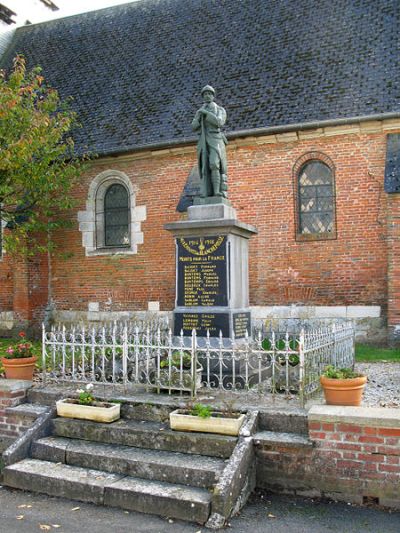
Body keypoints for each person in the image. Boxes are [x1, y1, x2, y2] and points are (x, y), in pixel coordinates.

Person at [191, 85, 228, 199]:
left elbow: (219, 122)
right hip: (203, 141)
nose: (207, 96)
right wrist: (198, 117)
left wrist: (207, 114)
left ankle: (217, 192)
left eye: (209, 94)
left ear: (213, 96)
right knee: (204, 167)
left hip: (215, 139)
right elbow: (194, 127)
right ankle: (206, 191)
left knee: (214, 164)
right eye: (205, 94)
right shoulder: (200, 111)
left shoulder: (220, 110)